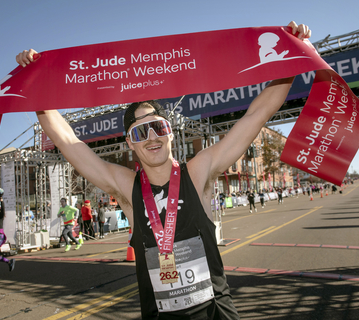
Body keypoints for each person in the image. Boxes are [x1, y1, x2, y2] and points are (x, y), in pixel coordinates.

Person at [16, 20, 311, 319]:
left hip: (216, 313)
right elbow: (67, 141)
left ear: (170, 132)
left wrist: (294, 56)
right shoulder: (125, 187)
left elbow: (256, 115)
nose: (152, 138)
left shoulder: (198, 172)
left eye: (157, 127)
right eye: (139, 133)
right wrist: (36, 82)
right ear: (130, 144)